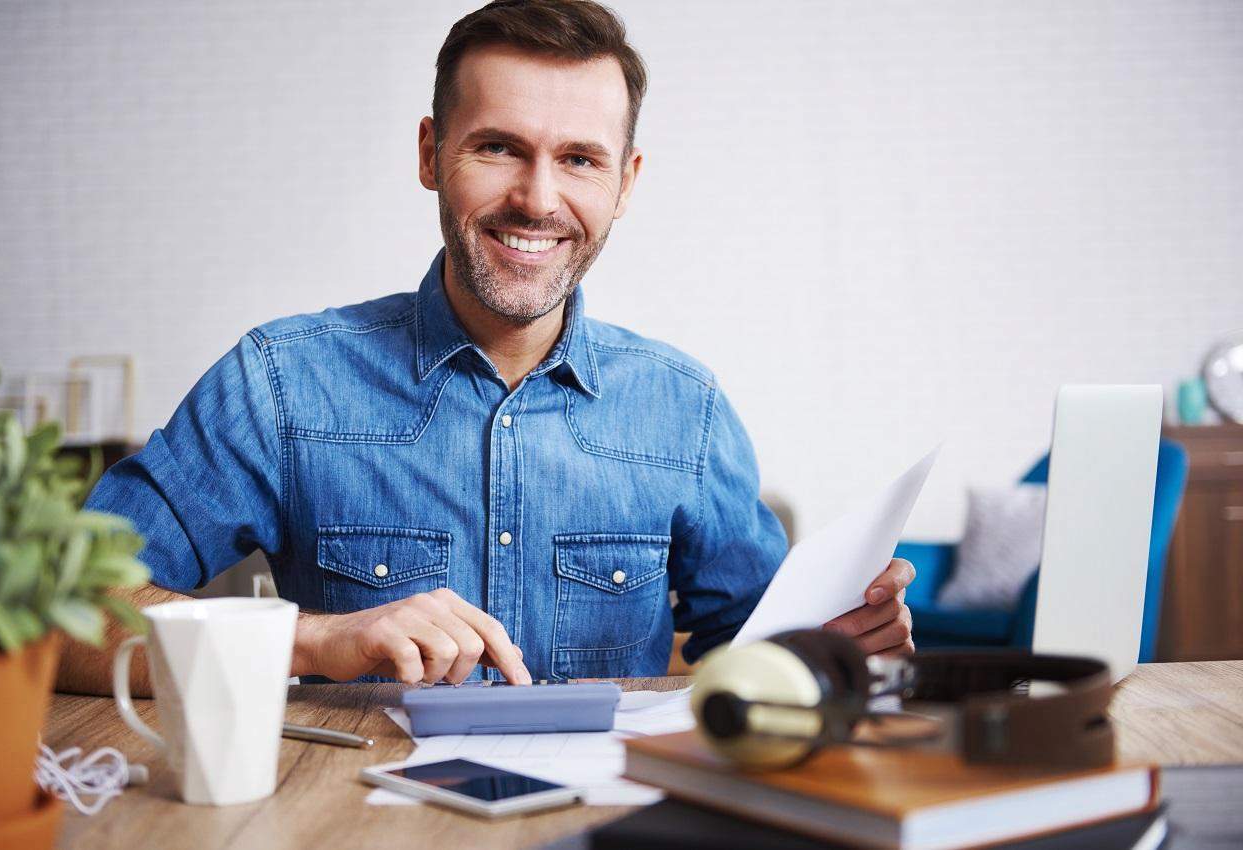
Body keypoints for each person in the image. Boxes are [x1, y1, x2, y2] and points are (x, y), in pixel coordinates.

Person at [57, 0, 914, 695]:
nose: (537, 199)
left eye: (580, 159)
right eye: (499, 147)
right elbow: (59, 617)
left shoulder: (685, 409)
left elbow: (764, 661)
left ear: (625, 185)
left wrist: (846, 649)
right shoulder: (281, 382)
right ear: (432, 154)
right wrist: (319, 640)